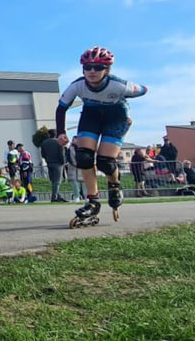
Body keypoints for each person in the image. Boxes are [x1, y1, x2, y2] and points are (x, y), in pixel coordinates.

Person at [56, 46, 148, 223]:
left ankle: (114, 185)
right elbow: (61, 108)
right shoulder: (77, 85)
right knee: (84, 158)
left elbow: (143, 90)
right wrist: (60, 132)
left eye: (98, 67)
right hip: (91, 116)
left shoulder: (119, 85)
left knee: (105, 162)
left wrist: (129, 109)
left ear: (107, 70)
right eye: (87, 67)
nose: (92, 71)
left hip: (116, 117)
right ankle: (93, 201)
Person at [40, 129, 67, 202]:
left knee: (53, 181)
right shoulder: (58, 142)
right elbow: (62, 154)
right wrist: (63, 162)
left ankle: (58, 196)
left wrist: (47, 159)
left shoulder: (44, 143)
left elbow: (43, 154)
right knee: (57, 181)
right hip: (58, 163)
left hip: (49, 163)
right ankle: (54, 197)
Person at [65, 136, 85, 202]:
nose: (74, 141)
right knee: (75, 183)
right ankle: (77, 196)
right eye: (73, 139)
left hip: (81, 167)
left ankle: (86, 197)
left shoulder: (82, 148)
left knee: (84, 183)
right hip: (72, 168)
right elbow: (68, 157)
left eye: (75, 139)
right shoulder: (70, 148)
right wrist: (73, 163)